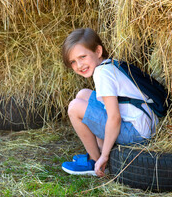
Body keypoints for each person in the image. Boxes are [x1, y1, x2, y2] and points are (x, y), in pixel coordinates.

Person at [61, 28, 158, 177]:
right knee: (83, 94)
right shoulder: (109, 64)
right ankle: (98, 149)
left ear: (98, 51)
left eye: (82, 57)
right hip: (145, 123)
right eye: (73, 62)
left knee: (74, 108)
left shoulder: (102, 74)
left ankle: (95, 161)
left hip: (136, 132)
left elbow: (114, 117)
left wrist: (105, 156)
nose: (79, 65)